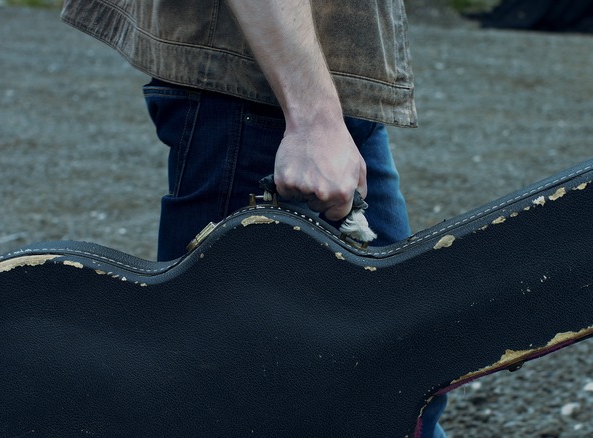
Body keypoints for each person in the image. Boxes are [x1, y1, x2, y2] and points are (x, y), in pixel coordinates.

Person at [61, 1, 447, 436]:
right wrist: (311, 120)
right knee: (237, 397)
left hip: (326, 99)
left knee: (402, 378)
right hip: (269, 101)